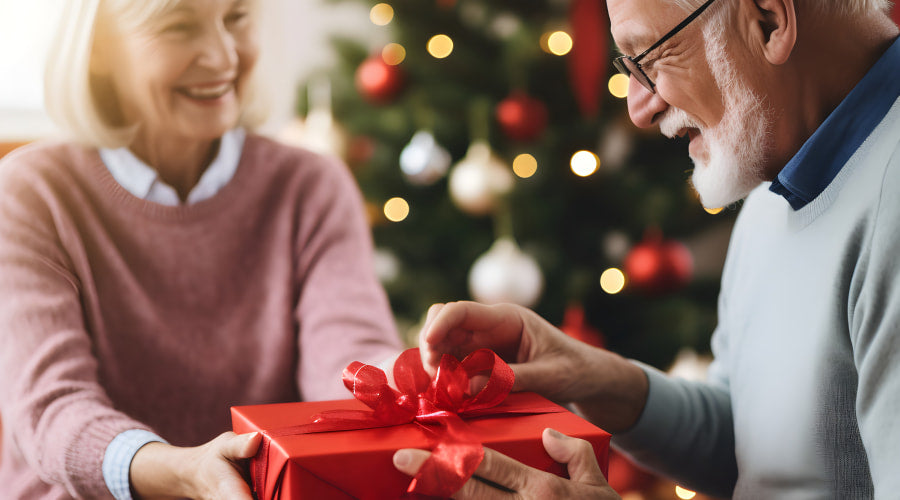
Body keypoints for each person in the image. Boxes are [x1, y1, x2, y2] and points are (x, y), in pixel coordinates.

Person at [392, 0, 900, 497]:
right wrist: (588, 376)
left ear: (768, 21)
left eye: (651, 58)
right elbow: (760, 446)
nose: (639, 107)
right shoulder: (781, 171)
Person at [0, 0, 404, 498]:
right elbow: (51, 409)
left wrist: (414, 377)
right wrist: (181, 470)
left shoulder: (311, 185)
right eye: (178, 26)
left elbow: (345, 354)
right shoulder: (30, 193)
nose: (222, 56)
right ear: (99, 51)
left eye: (236, 18)